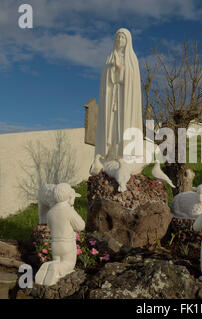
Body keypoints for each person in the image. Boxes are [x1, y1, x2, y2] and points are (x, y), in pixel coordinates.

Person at [95, 28, 143, 161]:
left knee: (124, 125)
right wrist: (113, 69)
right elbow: (106, 81)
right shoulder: (109, 58)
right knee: (111, 126)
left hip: (125, 100)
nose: (119, 40)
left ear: (128, 41)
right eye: (117, 37)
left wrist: (120, 68)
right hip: (112, 99)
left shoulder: (132, 59)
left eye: (122, 37)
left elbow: (131, 82)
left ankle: (125, 154)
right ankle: (109, 154)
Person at [35, 183, 85, 286]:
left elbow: (50, 225)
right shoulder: (69, 210)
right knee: (69, 265)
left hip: (55, 245)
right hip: (67, 245)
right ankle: (56, 269)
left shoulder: (50, 212)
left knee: (57, 261)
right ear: (68, 195)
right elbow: (81, 226)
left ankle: (49, 265)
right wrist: (72, 204)